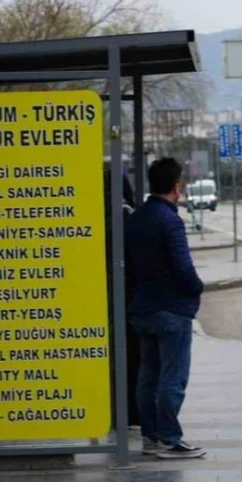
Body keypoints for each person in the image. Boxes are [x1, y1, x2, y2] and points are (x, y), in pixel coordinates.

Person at [125, 157, 206, 459]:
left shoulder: (137, 218)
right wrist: (197, 288)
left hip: (142, 309)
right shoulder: (170, 220)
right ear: (176, 187)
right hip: (171, 310)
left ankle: (150, 436)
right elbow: (183, 268)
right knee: (173, 377)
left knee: (148, 376)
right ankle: (170, 440)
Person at [102, 165, 138, 428]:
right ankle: (128, 412)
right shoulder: (128, 216)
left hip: (102, 296)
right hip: (128, 297)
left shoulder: (94, 215)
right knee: (131, 356)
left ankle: (113, 409)